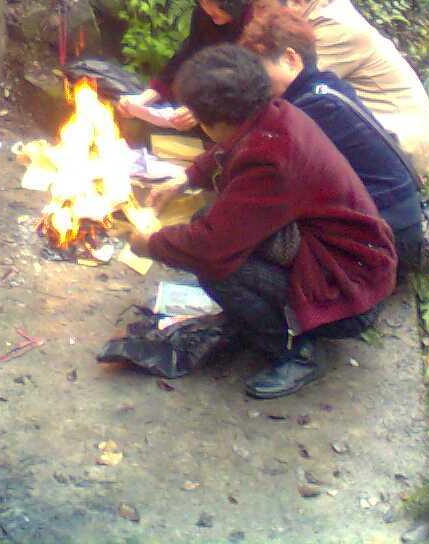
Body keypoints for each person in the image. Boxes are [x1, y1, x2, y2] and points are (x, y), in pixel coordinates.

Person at [125, 45, 397, 399]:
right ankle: (261, 320)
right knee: (209, 220)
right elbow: (227, 150)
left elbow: (210, 246)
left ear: (216, 122)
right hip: (346, 259)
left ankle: (296, 350)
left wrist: (149, 244)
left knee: (218, 267)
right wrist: (186, 178)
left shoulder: (270, 160)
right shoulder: (274, 115)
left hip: (350, 289)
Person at [239, 8, 425, 275]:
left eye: (260, 70)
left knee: (243, 243)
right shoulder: (326, 88)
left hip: (385, 238)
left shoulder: (314, 109)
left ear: (290, 58)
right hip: (397, 223)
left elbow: (269, 180)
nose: (257, 83)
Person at [238, 0, 429, 178]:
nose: (255, 15)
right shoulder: (315, 8)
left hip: (401, 145)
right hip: (376, 136)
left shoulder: (334, 30)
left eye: (261, 6)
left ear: (296, 0)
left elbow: (280, 93)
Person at [117, 0, 251, 131]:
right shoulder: (205, 14)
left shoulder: (253, 25)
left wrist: (203, 109)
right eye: (202, 2)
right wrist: (146, 97)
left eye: (212, 3)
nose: (207, 9)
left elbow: (242, 80)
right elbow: (188, 53)